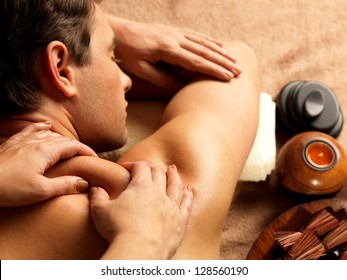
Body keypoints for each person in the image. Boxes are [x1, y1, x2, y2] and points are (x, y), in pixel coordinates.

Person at [0, 0, 260, 259]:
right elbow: (233, 62)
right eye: (114, 57)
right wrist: (142, 241)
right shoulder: (153, 201)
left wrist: (72, 33)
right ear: (60, 68)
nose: (127, 80)